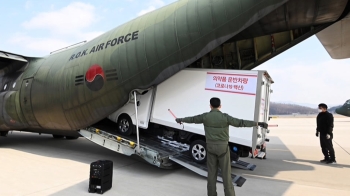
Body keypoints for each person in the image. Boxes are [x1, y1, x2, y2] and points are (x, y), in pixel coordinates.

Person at [175, 97, 268, 196]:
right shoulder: (225, 117)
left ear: (210, 106)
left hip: (210, 148)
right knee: (226, 174)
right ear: (220, 106)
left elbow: (192, 119)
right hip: (223, 148)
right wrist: (257, 123)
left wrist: (181, 120)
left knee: (211, 174)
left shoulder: (205, 117)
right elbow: (241, 122)